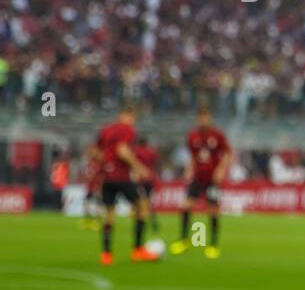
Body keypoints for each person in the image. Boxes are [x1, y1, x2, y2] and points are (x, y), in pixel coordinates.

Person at [94, 106, 160, 265]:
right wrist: (139, 168)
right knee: (142, 206)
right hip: (121, 176)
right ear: (129, 116)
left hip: (106, 177)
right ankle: (137, 250)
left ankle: (106, 255)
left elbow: (95, 151)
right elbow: (123, 151)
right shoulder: (127, 130)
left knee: (109, 214)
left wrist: (105, 165)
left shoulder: (107, 129)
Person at [169, 107, 231, 258]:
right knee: (186, 206)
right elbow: (192, 156)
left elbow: (228, 153)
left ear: (210, 118)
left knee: (213, 209)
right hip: (197, 177)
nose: (203, 120)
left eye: (206, 117)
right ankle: (184, 240)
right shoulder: (193, 135)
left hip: (212, 179)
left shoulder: (217, 135)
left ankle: (213, 245)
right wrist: (189, 170)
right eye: (201, 117)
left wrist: (221, 170)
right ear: (198, 118)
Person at [133, 135, 161, 234]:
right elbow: (157, 163)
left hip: (141, 179)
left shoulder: (136, 151)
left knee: (141, 202)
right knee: (148, 201)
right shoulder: (152, 151)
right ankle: (153, 222)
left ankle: (140, 224)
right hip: (150, 179)